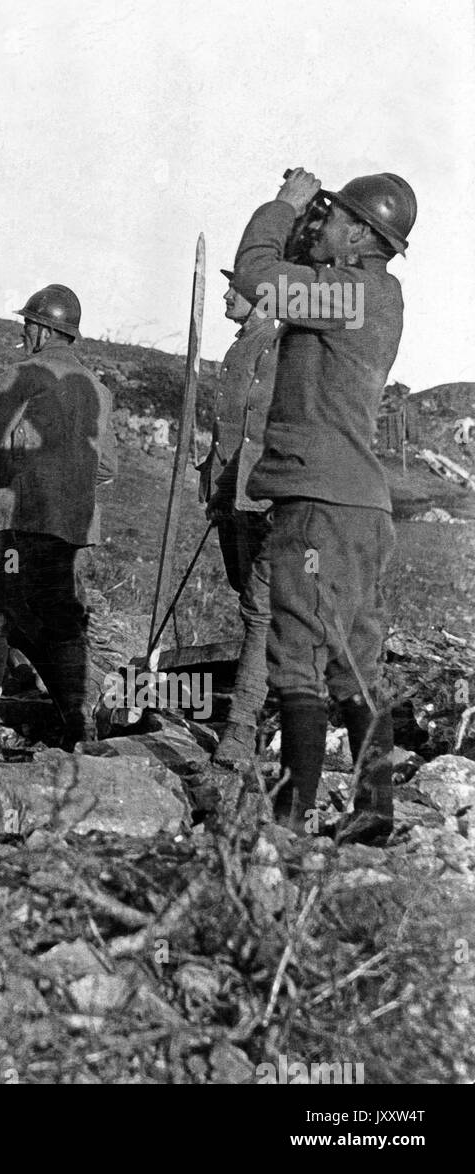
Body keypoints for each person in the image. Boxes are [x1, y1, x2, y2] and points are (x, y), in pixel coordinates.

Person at [231, 169, 415, 844]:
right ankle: (374, 814)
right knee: (356, 661)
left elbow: (257, 273)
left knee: (297, 657)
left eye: (334, 216)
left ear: (363, 232)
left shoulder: (351, 293)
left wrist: (281, 206)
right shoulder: (371, 294)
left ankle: (289, 820)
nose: (322, 223)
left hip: (319, 502)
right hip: (361, 507)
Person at [0, 284, 115, 758]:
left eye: (26, 325)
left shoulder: (24, 373)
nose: (23, 332)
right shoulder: (96, 389)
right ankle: (80, 731)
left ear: (39, 329)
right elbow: (107, 469)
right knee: (62, 623)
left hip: (10, 521)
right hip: (64, 530)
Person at [201, 269, 280, 766]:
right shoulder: (241, 345)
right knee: (244, 594)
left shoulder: (279, 345)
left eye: (236, 288)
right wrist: (214, 486)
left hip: (267, 496)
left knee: (260, 606)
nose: (227, 294)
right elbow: (227, 428)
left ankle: (242, 727)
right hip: (233, 494)